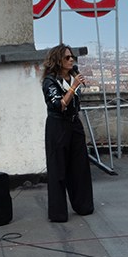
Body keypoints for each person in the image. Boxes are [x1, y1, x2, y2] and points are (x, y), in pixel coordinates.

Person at [41, 44, 94, 222]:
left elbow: (74, 105)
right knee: (58, 169)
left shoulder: (72, 78)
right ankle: (58, 213)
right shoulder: (50, 81)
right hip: (58, 127)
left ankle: (83, 205)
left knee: (80, 166)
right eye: (67, 57)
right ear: (58, 61)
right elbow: (57, 105)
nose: (71, 60)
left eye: (72, 57)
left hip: (74, 125)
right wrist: (73, 88)